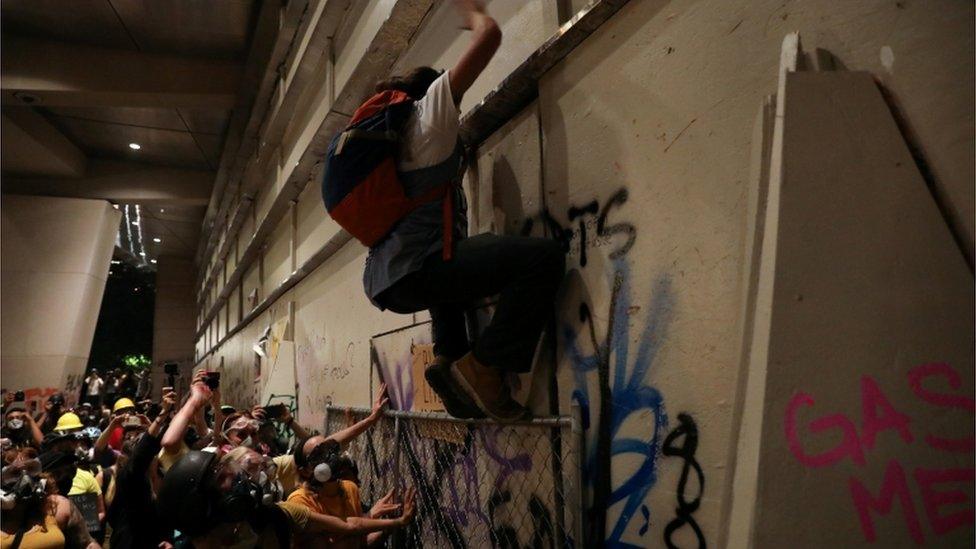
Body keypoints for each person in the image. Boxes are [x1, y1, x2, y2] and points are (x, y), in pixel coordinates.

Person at [359, 0, 564, 421]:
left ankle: (449, 356)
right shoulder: (429, 114)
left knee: (449, 263)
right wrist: (473, 14)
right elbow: (489, 38)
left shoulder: (399, 145)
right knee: (542, 258)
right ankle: (484, 367)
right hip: (414, 270)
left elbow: (431, 197)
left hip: (389, 279)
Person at [287, 437, 416, 547]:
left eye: (330, 449)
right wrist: (396, 521)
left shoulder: (350, 488)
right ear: (304, 471)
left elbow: (359, 541)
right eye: (319, 454)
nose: (329, 457)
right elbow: (350, 527)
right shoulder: (300, 500)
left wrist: (387, 526)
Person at [104, 390, 174, 549]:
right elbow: (141, 454)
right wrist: (161, 415)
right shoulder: (131, 477)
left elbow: (165, 515)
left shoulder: (163, 476)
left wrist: (168, 539)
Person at [1, 448, 101, 549]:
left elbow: (88, 544)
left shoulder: (58, 506)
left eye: (31, 469)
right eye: (14, 473)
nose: (25, 478)